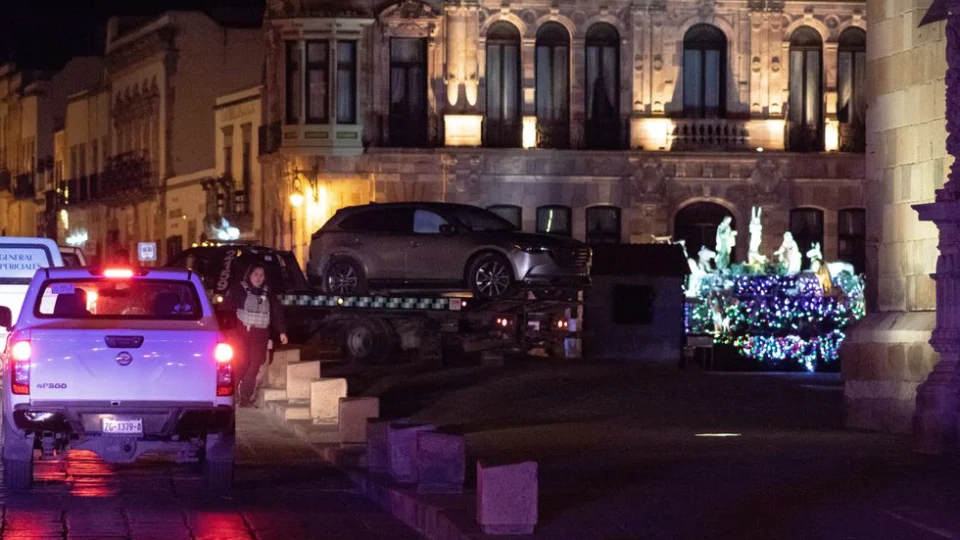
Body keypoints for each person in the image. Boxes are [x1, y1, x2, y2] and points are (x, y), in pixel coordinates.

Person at [223, 264, 288, 406]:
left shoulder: (269, 293)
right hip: (241, 334)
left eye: (262, 275)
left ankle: (246, 397)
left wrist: (282, 331)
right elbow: (226, 311)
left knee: (254, 365)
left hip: (260, 335)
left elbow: (276, 312)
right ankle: (230, 395)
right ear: (249, 275)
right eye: (256, 274)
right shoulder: (238, 290)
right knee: (241, 363)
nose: (259, 278)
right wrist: (227, 332)